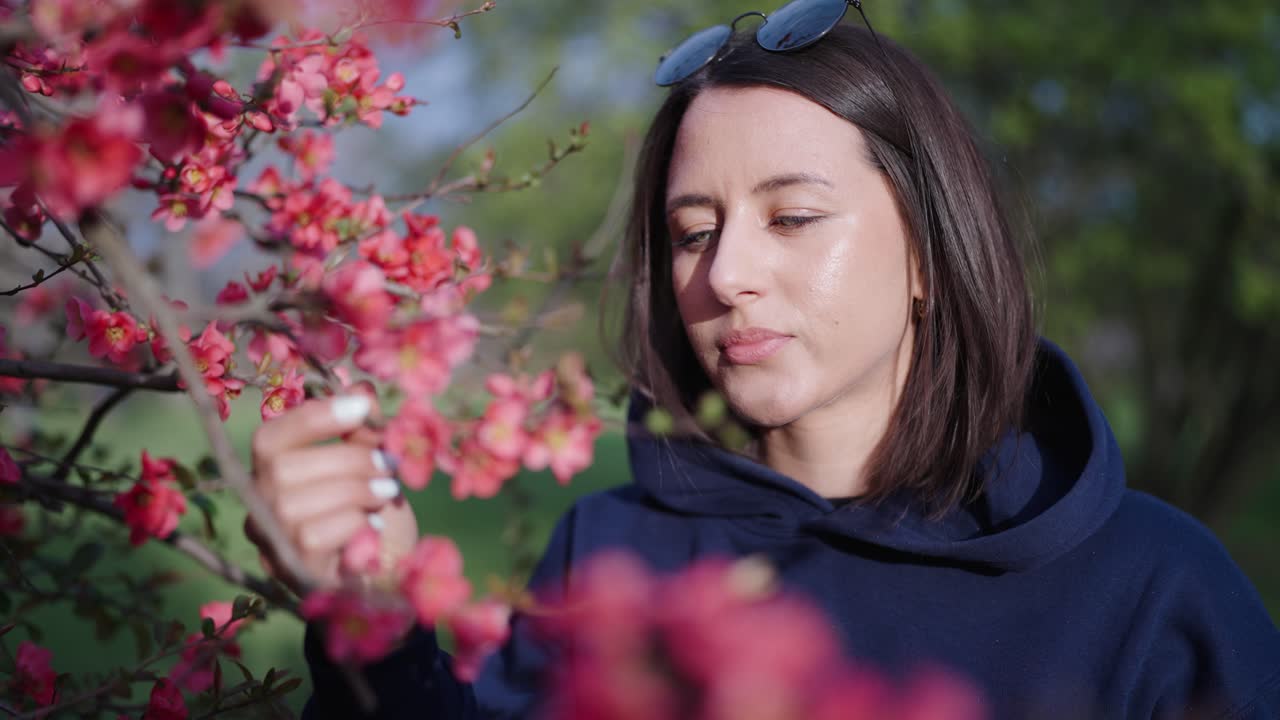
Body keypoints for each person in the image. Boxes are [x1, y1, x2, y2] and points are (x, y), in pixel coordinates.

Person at [245, 4, 1280, 718]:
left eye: (791, 217)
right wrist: (373, 622)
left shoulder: (1153, 589)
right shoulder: (607, 555)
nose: (726, 273)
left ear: (928, 251)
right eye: (693, 231)